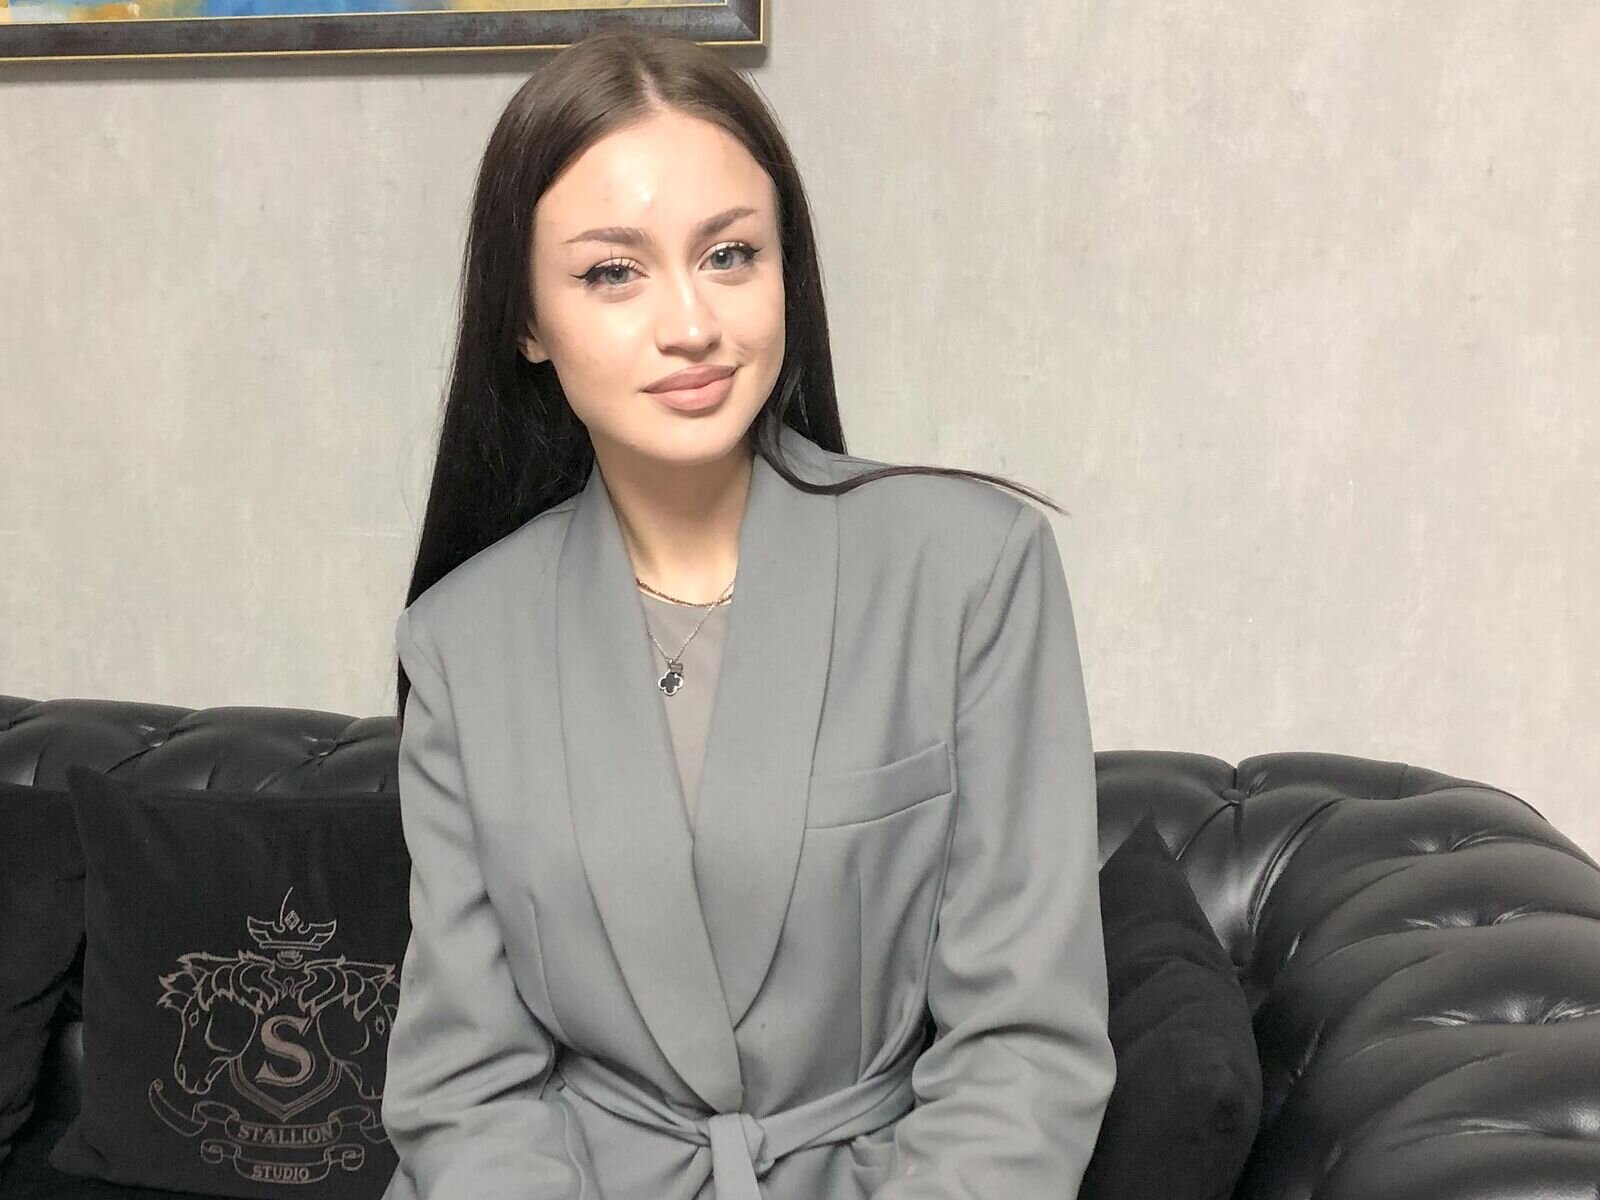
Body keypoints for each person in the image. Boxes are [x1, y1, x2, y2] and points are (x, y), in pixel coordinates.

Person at [381, 26, 1115, 1200]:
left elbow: (1023, 1050)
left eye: (729, 255)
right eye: (611, 273)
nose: (691, 324)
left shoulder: (971, 569)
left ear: (786, 270)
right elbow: (464, 1087)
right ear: (526, 320)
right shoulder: (462, 641)